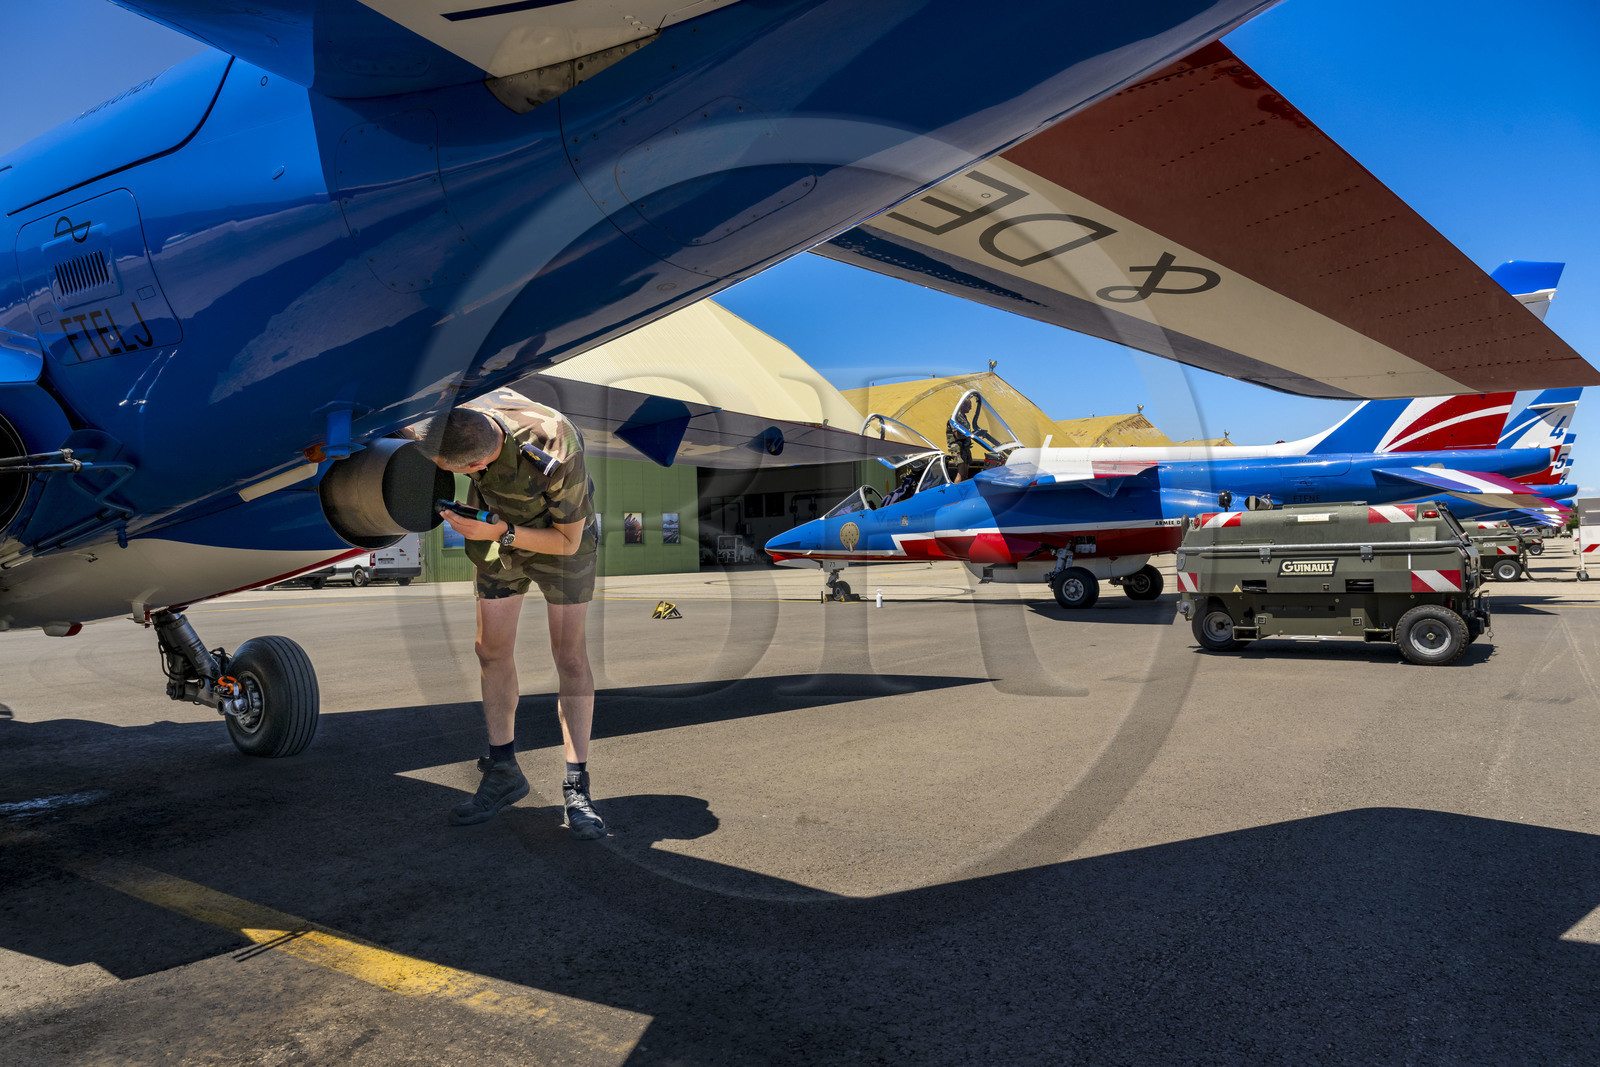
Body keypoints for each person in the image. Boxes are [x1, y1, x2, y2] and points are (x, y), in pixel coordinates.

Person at [415, 388, 605, 839]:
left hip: (561, 544)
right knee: (490, 650)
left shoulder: (557, 447)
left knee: (569, 657)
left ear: (478, 464)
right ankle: (503, 771)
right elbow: (405, 429)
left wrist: (501, 532)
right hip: (496, 536)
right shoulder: (461, 416)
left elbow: (568, 542)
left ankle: (577, 786)